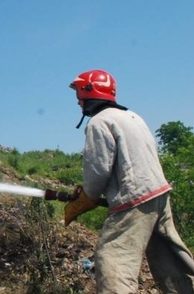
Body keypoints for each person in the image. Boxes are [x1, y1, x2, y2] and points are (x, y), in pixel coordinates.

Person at [65, 69, 194, 294]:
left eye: (79, 93)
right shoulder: (132, 117)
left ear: (89, 91)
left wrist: (82, 202)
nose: (78, 100)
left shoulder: (99, 122)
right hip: (159, 195)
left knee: (112, 260)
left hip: (133, 201)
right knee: (172, 260)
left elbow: (98, 173)